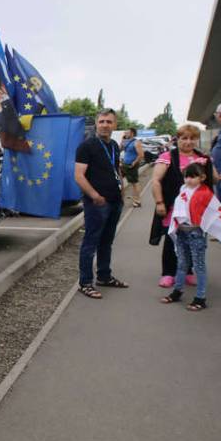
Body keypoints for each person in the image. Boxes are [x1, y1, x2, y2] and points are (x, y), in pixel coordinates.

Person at [74, 109, 130, 299]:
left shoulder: (114, 145)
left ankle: (104, 276)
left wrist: (122, 189)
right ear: (97, 123)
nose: (105, 125)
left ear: (115, 125)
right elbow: (79, 175)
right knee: (91, 243)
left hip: (115, 201)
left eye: (109, 122)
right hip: (97, 203)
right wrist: (94, 195)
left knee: (107, 241)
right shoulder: (86, 146)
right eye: (102, 121)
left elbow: (116, 169)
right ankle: (85, 283)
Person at [150, 124, 209, 287]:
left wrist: (210, 166)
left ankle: (188, 271)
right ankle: (168, 273)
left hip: (196, 209)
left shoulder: (202, 157)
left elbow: (213, 179)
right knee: (172, 240)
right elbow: (155, 181)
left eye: (192, 138)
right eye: (184, 138)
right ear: (178, 139)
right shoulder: (168, 156)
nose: (188, 142)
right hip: (173, 207)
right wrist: (159, 202)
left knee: (193, 240)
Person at [160, 162, 215, 311]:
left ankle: (200, 297)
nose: (189, 180)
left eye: (193, 177)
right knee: (182, 263)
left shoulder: (206, 193)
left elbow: (213, 213)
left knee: (199, 265)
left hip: (196, 232)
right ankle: (178, 291)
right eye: (186, 176)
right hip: (182, 231)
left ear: (202, 177)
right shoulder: (183, 189)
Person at [120, 128, 144, 207]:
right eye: (125, 132)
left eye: (127, 132)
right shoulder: (126, 142)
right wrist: (122, 140)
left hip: (131, 165)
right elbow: (119, 149)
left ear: (132, 133)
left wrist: (134, 163)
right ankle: (121, 199)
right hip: (124, 165)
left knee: (134, 183)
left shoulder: (136, 142)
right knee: (119, 181)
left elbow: (141, 155)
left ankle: (137, 201)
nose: (125, 134)